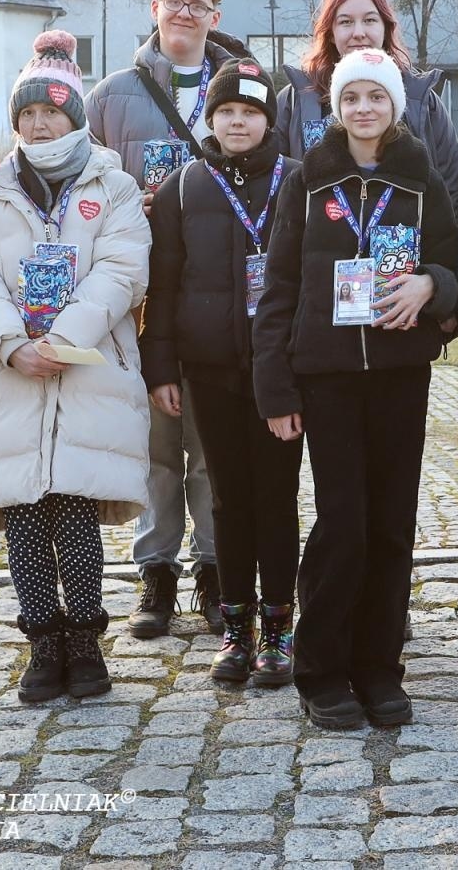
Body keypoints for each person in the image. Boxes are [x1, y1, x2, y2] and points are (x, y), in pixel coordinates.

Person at [253, 47, 458, 729]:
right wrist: (276, 388)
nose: (364, 108)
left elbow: (455, 262)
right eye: (351, 98)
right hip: (328, 375)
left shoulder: (419, 174)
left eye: (376, 96)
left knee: (393, 524)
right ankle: (322, 669)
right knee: (343, 524)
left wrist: (433, 284)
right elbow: (279, 286)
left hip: (401, 373)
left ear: (395, 105)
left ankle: (379, 667)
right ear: (335, 107)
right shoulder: (308, 179)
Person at [0, 31, 151, 702]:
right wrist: (13, 342)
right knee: (25, 516)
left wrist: (61, 342)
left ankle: (87, 644)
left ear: (75, 117)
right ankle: (43, 642)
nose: (39, 123)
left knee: (76, 512)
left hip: (86, 368)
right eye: (28, 113)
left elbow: (121, 270)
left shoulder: (112, 184)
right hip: (11, 375)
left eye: (52, 111)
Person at [87, 0, 249, 637]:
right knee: (153, 446)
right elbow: (85, 193)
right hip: (142, 294)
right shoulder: (111, 96)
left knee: (212, 444)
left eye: (197, 3)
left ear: (215, 16)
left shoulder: (240, 90)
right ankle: (155, 573)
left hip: (215, 290)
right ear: (154, 7)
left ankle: (215, 570)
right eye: (172, 0)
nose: (183, 12)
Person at [141, 60, 302, 686]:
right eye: (227, 112)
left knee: (278, 500)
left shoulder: (296, 181)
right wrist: (163, 367)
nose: (239, 122)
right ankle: (236, 627)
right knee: (229, 501)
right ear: (211, 118)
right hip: (210, 369)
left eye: (251, 113)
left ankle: (280, 627)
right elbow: (164, 282)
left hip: (280, 373)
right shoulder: (186, 187)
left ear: (269, 121)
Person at [274, 0, 458, 215]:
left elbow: (453, 188)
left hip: (402, 246)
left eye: (369, 20)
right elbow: (276, 187)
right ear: (331, 32)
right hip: (318, 246)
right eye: (345, 22)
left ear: (385, 28)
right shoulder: (296, 100)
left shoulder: (420, 99)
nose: (359, 33)